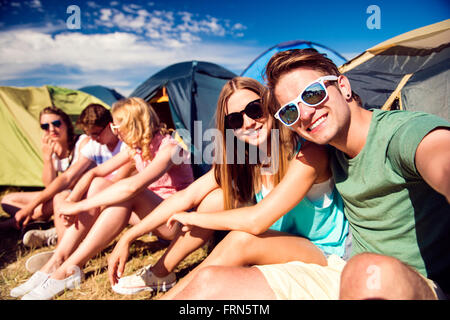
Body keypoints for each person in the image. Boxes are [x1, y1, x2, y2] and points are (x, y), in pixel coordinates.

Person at [168, 49, 450, 300]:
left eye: (312, 94)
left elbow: (440, 158)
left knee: (369, 272)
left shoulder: (401, 134)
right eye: (289, 111)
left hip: (406, 282)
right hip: (341, 272)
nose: (304, 113)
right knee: (209, 283)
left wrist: (193, 217)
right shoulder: (326, 150)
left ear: (343, 86)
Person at [105, 77, 348, 299]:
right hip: (282, 245)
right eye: (235, 119)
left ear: (271, 106)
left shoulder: (308, 154)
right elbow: (186, 196)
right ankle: (163, 276)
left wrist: (196, 218)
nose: (249, 122)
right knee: (216, 198)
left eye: (255, 109)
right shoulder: (247, 161)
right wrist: (128, 236)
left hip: (324, 252)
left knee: (240, 239)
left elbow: (257, 221)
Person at [14, 97, 194, 300]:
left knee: (129, 192)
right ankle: (58, 260)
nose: (116, 132)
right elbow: (95, 174)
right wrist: (71, 202)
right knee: (101, 184)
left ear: (132, 124)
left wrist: (77, 207)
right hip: (152, 217)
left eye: (117, 127)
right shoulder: (136, 148)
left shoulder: (170, 149)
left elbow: (132, 186)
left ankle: (69, 269)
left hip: (176, 223)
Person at [0, 106, 86, 233]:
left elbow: (68, 180)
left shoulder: (82, 142)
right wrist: (47, 158)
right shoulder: (53, 147)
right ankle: (34, 220)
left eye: (56, 124)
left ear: (67, 124)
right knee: (7, 200)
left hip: (76, 193)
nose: (51, 129)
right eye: (45, 127)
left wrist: (30, 206)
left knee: (40, 208)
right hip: (57, 192)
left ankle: (13, 223)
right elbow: (49, 184)